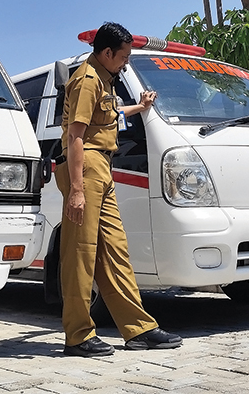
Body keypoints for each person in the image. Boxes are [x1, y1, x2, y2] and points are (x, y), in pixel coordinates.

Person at [54, 22, 182, 357]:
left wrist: (140, 108)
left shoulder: (104, 79)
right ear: (106, 52)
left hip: (102, 167)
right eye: (123, 56)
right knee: (80, 255)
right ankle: (78, 335)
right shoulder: (86, 79)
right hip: (85, 166)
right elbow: (76, 135)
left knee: (115, 250)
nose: (125, 62)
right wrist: (77, 191)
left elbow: (107, 117)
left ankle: (138, 329)